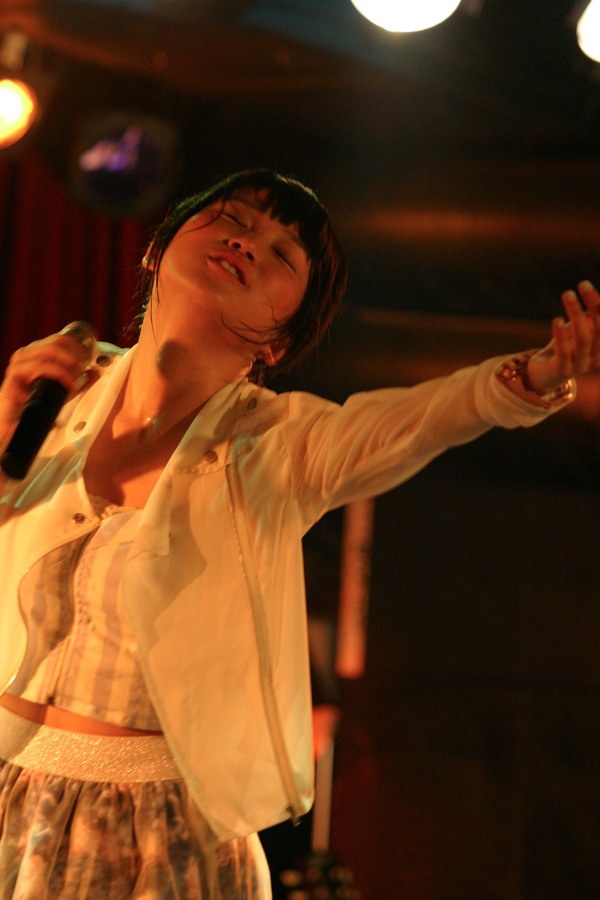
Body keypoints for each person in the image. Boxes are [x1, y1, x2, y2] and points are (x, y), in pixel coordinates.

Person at [0, 167, 598, 900]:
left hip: (151, 836)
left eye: (283, 252)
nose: (248, 243)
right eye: (234, 219)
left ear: (281, 341)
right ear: (157, 249)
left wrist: (533, 380)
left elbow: (419, 419)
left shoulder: (279, 446)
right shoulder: (55, 389)